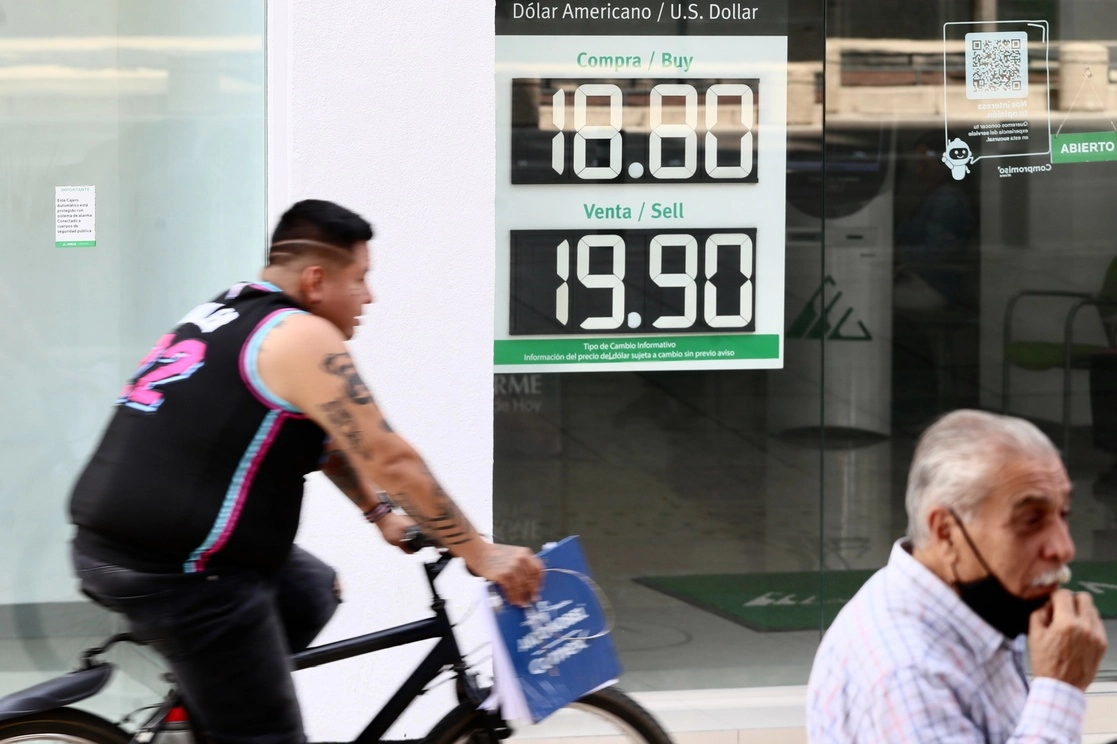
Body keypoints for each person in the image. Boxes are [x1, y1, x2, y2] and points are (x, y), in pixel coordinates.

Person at [68, 199, 544, 744]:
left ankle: (213, 700)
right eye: (360, 279)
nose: (369, 296)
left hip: (131, 541)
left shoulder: (229, 310)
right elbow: (388, 458)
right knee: (268, 734)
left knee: (311, 590)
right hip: (177, 570)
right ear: (317, 280)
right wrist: (479, 553)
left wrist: (380, 514)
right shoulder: (301, 335)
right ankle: (234, 711)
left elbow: (326, 442)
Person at [807, 409, 1107, 743]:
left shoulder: (971, 602)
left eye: (1063, 514)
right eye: (1031, 521)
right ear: (947, 533)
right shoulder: (910, 673)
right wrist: (1059, 688)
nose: (1064, 548)